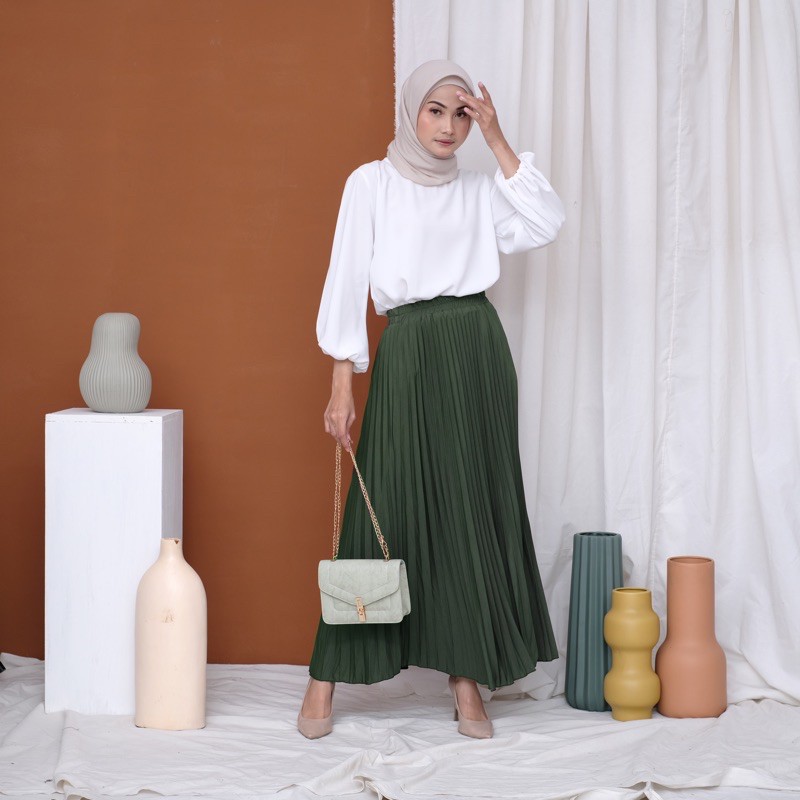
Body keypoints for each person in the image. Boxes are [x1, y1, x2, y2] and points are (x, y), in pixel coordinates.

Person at [298, 59, 565, 740]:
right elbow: (346, 280)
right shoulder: (371, 184)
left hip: (476, 350)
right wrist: (341, 385)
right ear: (411, 111)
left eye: (461, 114)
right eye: (435, 111)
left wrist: (498, 138)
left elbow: (545, 220)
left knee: (467, 509)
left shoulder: (479, 190)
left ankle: (466, 678)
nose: (448, 127)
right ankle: (326, 676)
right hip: (410, 350)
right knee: (383, 505)